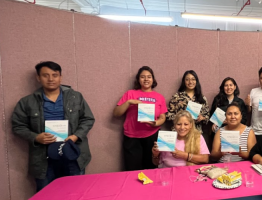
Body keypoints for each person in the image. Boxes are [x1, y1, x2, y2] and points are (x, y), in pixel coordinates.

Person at [12, 61, 95, 192]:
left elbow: (88, 119)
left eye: (55, 75)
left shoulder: (75, 97)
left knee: (75, 194)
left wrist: (75, 136)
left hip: (72, 154)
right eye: (45, 75)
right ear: (38, 78)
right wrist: (36, 137)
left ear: (60, 77)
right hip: (43, 158)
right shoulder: (27, 101)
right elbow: (18, 126)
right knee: (46, 197)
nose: (50, 79)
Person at [114, 66, 167, 171]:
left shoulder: (159, 97)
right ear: (138, 79)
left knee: (153, 167)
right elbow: (116, 113)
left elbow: (163, 117)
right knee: (132, 169)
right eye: (143, 77)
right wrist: (129, 102)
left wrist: (156, 123)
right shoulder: (130, 94)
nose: (146, 79)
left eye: (149, 77)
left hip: (153, 135)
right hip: (132, 137)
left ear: (153, 79)